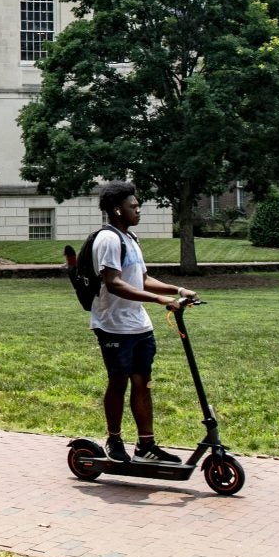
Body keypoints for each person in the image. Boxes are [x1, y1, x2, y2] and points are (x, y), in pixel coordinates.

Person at [90, 181, 197, 464]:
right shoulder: (109, 239)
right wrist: (159, 301)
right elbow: (114, 284)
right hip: (113, 324)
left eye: (138, 206)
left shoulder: (130, 238)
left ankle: (146, 445)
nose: (138, 211)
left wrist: (176, 290)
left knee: (143, 382)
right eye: (133, 206)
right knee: (119, 381)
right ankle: (114, 439)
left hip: (139, 325)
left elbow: (142, 279)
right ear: (116, 210)